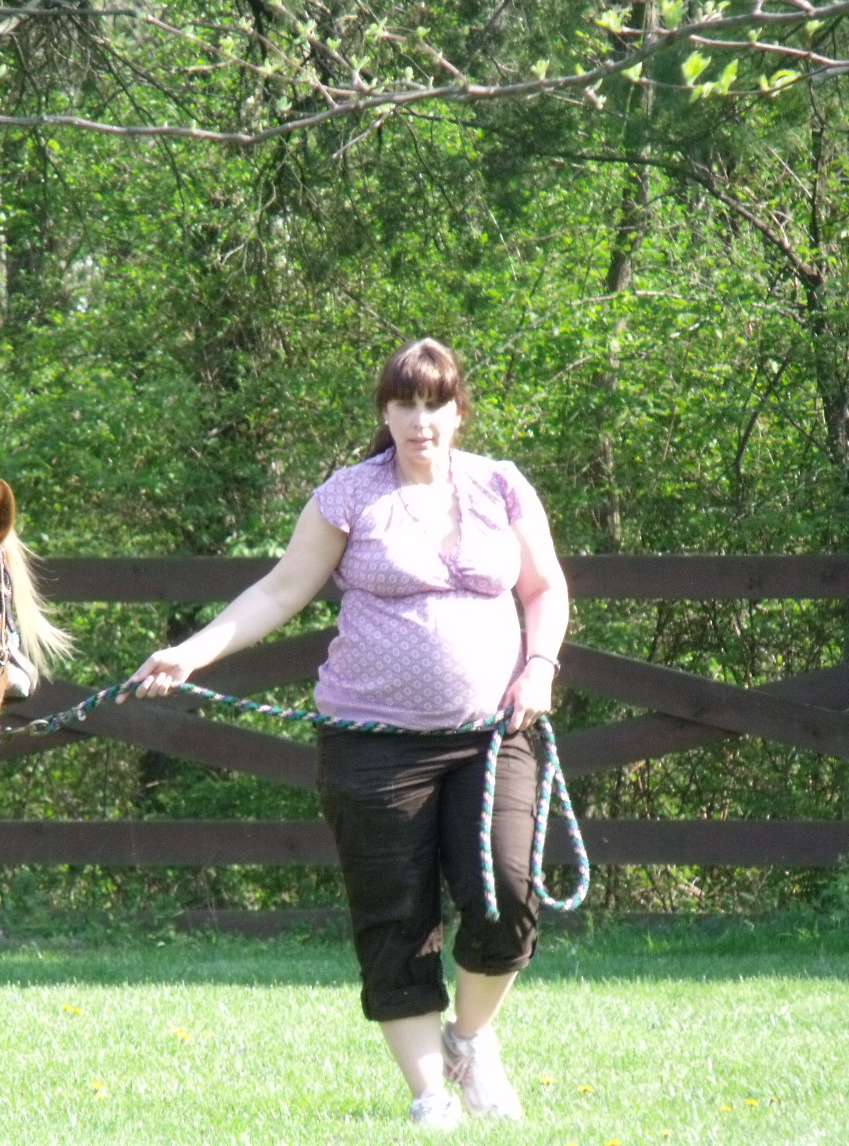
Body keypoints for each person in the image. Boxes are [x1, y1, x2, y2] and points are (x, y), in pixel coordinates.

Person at [127, 338, 569, 1129]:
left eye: (435, 403)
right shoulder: (349, 496)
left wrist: (538, 668)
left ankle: (470, 1039)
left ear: (459, 409)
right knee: (394, 914)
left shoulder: (502, 487)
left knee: (507, 894)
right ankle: (430, 1093)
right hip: (372, 744)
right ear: (385, 412)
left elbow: (545, 588)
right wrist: (191, 654)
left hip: (494, 736)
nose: (419, 420)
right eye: (404, 403)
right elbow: (280, 590)